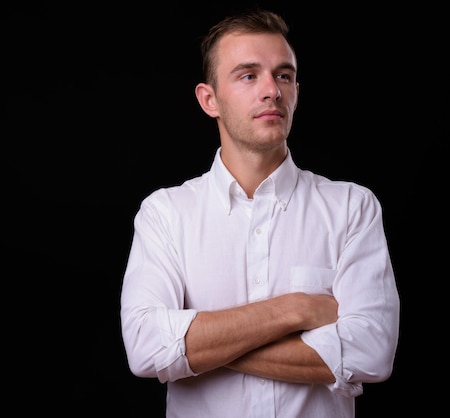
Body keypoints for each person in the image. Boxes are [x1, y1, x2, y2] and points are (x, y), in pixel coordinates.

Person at [119, 7, 400, 418]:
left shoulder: (352, 207)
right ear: (209, 99)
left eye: (283, 75)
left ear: (297, 92)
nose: (272, 90)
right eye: (249, 76)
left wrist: (196, 346)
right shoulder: (165, 214)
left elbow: (372, 353)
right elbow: (144, 347)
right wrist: (296, 310)